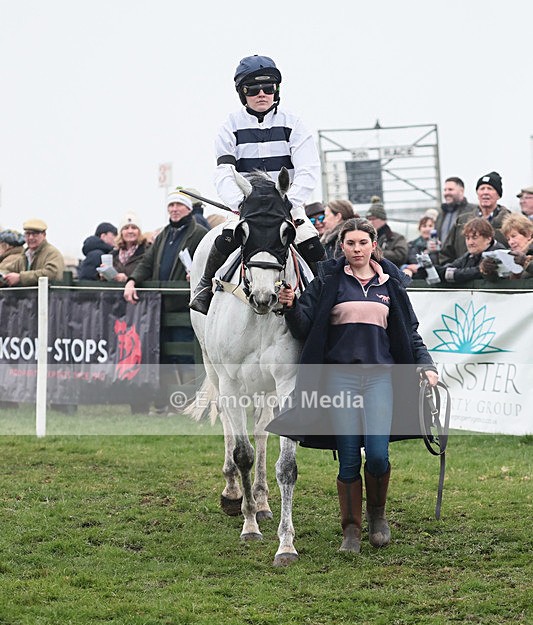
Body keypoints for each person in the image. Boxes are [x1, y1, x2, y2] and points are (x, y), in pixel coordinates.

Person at [271, 217, 438, 554]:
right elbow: (304, 326)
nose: (357, 249)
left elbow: (409, 332)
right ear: (342, 246)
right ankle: (351, 530)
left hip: (380, 379)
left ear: (373, 245)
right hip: (339, 380)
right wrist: (290, 307)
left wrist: (426, 366)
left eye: (363, 242)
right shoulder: (328, 282)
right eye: (351, 243)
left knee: (377, 455)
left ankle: (377, 517)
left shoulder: (390, 284)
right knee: (348, 458)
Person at [189, 54, 324, 314]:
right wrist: (239, 203)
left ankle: (329, 298)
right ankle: (205, 287)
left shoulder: (294, 124)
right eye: (253, 89)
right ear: (242, 93)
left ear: (276, 91)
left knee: (311, 241)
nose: (261, 94)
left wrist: (288, 201)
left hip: (287, 205)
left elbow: (308, 170)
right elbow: (224, 172)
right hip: (247, 206)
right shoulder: (230, 126)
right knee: (227, 236)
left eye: (268, 88)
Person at [124, 189, 207, 413]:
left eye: (179, 205)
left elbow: (209, 260)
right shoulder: (163, 235)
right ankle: (172, 403)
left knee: (187, 355)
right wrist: (132, 280)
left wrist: (197, 273)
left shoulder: (198, 233)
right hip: (162, 307)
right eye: (171, 206)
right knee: (167, 355)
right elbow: (147, 263)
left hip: (186, 305)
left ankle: (192, 403)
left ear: (189, 209)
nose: (174, 209)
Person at [439, 172, 510, 264]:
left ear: (498, 195)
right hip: (465, 275)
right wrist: (453, 272)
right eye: (482, 189)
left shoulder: (510, 221)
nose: (485, 192)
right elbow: (446, 254)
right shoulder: (462, 221)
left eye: (490, 189)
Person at [440, 218, 505, 284]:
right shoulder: (470, 255)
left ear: (488, 239)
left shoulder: (499, 254)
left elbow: (486, 274)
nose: (470, 242)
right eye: (467, 238)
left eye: (474, 238)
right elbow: (450, 268)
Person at [2, 219, 64, 286]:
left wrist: (21, 278)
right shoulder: (25, 255)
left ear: (44, 235)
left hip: (48, 295)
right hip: (28, 295)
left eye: (35, 234)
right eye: (28, 234)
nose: (31, 237)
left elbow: (51, 273)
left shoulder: (52, 253)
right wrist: (3, 276)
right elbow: (8, 269)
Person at [365, 197, 408, 267]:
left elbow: (401, 256)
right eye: (368, 219)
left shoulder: (396, 238)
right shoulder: (366, 237)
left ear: (383, 219)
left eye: (373, 219)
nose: (370, 222)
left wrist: (374, 252)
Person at [434, 177, 476, 243]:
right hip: (443, 253)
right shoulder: (441, 214)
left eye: (450, 190)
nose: (446, 193)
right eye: (445, 190)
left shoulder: (473, 211)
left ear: (461, 191)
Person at [111, 213, 150, 283]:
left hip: (139, 293)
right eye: (126, 228)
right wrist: (103, 276)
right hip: (115, 293)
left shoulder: (148, 252)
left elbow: (150, 276)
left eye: (134, 228)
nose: (130, 231)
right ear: (121, 233)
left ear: (139, 232)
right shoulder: (113, 255)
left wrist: (128, 280)